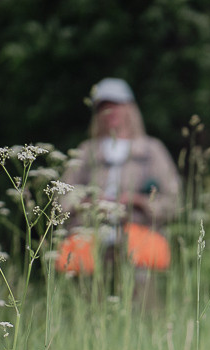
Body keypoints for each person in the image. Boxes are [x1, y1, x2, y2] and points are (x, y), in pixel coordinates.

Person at [59, 77, 180, 308]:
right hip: (90, 244)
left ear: (129, 109)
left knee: (145, 311)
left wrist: (139, 202)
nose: (109, 111)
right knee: (90, 309)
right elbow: (61, 201)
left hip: (138, 243)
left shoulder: (151, 151)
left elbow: (174, 203)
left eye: (115, 105)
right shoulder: (86, 152)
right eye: (103, 107)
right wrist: (89, 203)